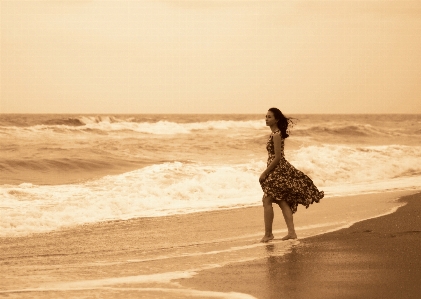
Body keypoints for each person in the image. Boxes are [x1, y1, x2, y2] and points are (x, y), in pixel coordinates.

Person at [259, 108, 324, 242]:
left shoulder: (276, 135)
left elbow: (277, 157)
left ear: (276, 119)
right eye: (266, 116)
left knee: (267, 199)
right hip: (277, 169)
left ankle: (269, 234)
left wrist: (265, 172)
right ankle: (291, 232)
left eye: (269, 117)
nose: (266, 119)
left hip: (277, 169)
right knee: (281, 200)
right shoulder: (274, 134)